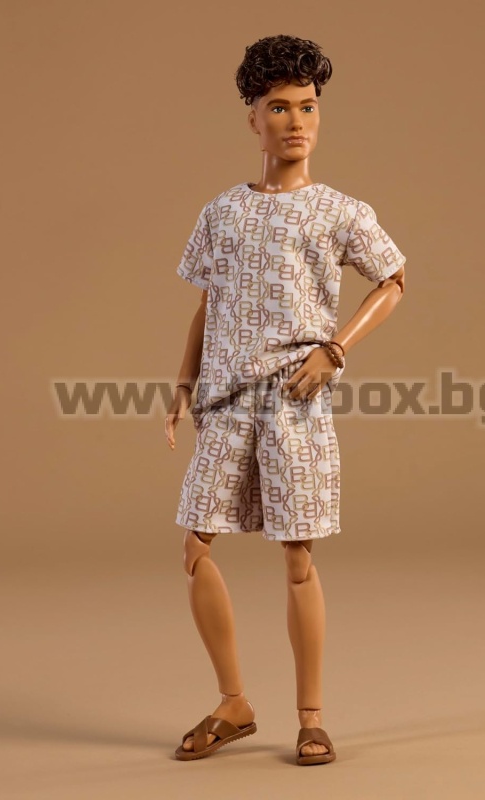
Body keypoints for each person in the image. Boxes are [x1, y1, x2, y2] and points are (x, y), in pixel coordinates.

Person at [165, 34, 406, 765]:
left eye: (308, 106)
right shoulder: (221, 212)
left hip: (294, 400)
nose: (296, 121)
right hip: (225, 399)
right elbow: (208, 303)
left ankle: (311, 717)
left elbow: (393, 281)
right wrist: (182, 384)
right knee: (195, 545)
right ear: (253, 118)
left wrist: (335, 350)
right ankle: (233, 702)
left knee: (297, 553)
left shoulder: (341, 212)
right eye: (279, 107)